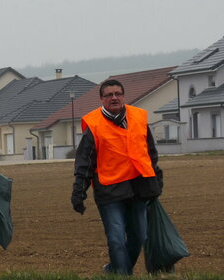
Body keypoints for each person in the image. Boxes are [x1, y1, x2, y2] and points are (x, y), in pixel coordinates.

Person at [71, 79, 163, 275]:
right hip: (109, 190)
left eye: (117, 94)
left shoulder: (138, 118)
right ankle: (122, 274)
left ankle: (114, 270)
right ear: (101, 99)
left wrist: (157, 179)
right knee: (116, 239)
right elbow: (84, 163)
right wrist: (79, 192)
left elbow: (150, 153)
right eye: (109, 95)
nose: (114, 98)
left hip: (139, 187)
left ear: (123, 96)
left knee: (139, 236)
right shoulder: (93, 125)